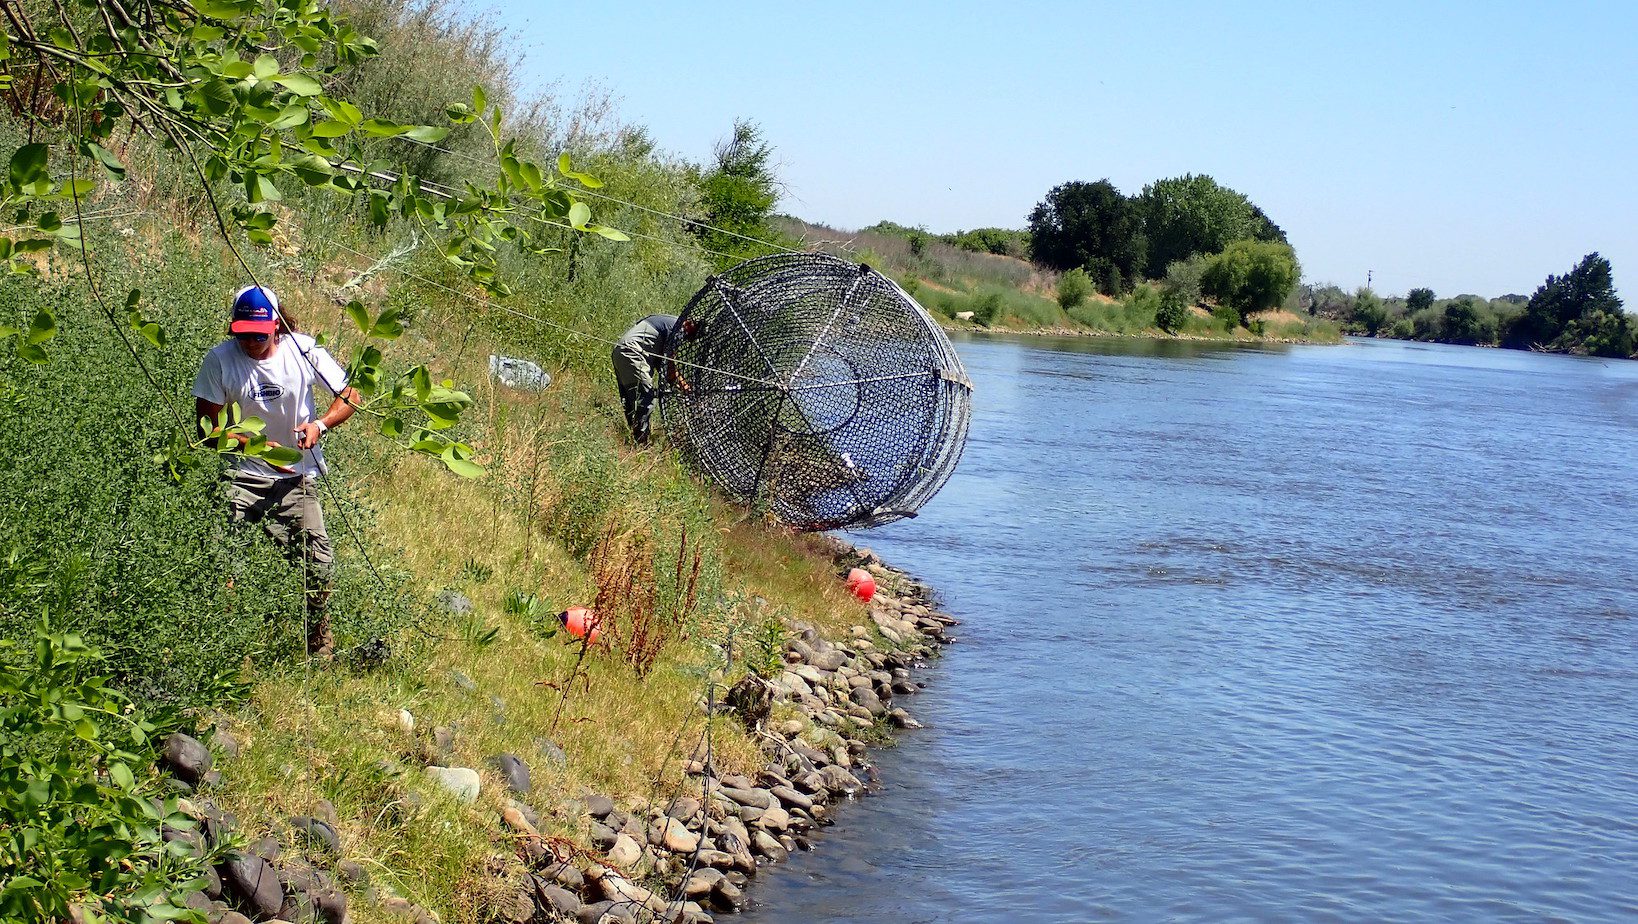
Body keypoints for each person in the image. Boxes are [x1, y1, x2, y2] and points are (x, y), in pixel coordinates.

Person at [192, 285, 360, 657]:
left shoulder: (304, 350)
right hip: (241, 474)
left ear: (277, 327)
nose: (251, 342)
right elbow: (207, 432)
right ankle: (223, 645)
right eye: (243, 334)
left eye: (259, 334)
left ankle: (318, 645)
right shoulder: (219, 360)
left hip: (297, 477)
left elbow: (350, 395)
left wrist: (321, 425)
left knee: (319, 563)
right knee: (222, 560)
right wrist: (253, 445)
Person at [610, 314, 697, 444]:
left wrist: (678, 382)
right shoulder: (677, 328)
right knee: (645, 401)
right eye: (694, 332)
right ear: (689, 323)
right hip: (633, 353)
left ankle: (634, 439)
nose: (690, 338)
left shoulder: (664, 320)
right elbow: (670, 369)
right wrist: (685, 387)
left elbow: (662, 365)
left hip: (619, 351)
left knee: (630, 401)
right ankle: (641, 444)